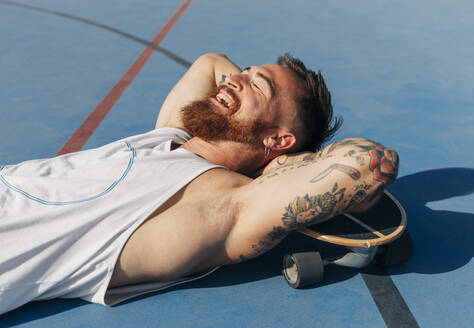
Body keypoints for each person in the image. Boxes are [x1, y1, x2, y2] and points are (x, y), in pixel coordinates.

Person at [0, 53, 398, 314]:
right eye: (243, 73)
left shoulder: (219, 203)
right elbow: (209, 63)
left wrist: (276, 166)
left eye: (257, 85)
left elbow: (366, 164)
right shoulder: (170, 136)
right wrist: (245, 93)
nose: (233, 80)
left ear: (278, 140)